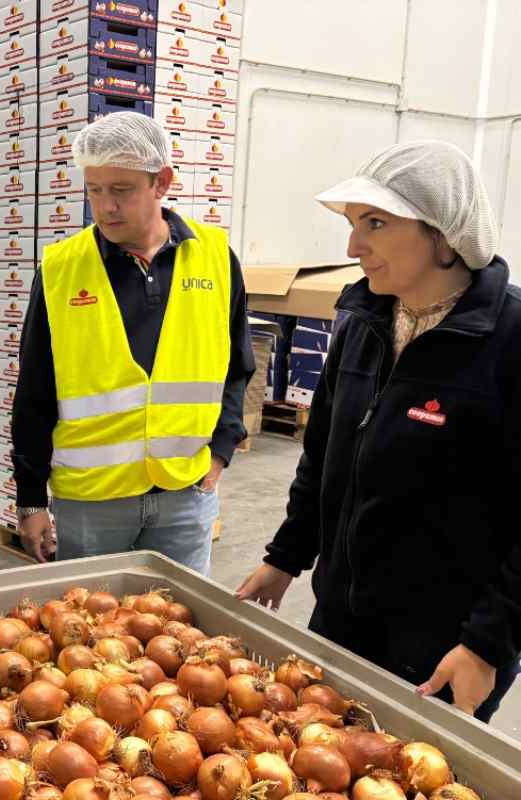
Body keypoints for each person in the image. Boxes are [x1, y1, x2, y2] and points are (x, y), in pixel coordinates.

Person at [236, 140, 521, 723]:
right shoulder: (364, 321)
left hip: (446, 646)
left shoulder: (511, 340)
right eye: (351, 223)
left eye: (374, 223)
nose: (351, 246)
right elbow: (322, 458)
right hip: (339, 616)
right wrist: (286, 555)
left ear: (443, 233)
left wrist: (489, 643)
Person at [12, 112, 253, 573]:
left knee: (181, 631)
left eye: (121, 190)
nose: (105, 207)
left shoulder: (216, 258)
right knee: (89, 635)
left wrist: (220, 452)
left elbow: (237, 367)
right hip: (91, 503)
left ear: (161, 183)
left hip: (186, 494)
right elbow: (34, 392)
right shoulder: (62, 269)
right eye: (94, 189)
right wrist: (30, 499)